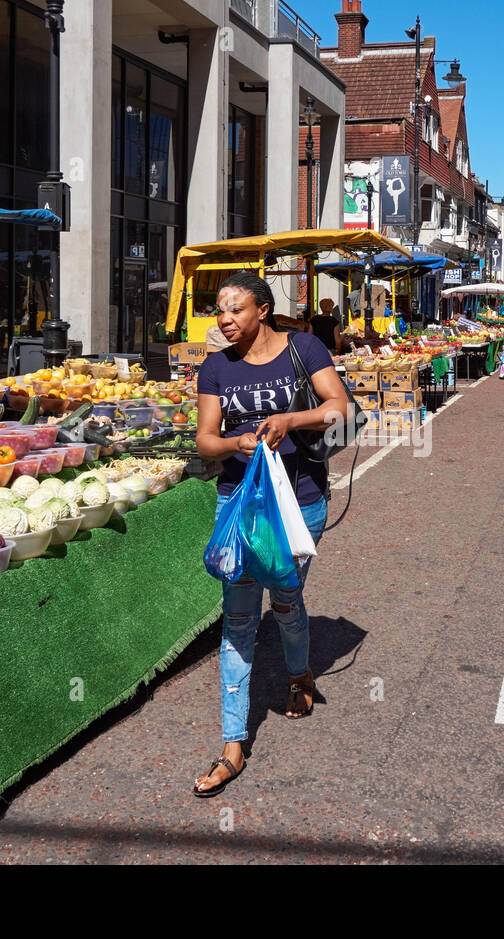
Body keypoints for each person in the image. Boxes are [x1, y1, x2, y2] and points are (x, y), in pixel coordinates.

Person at [193, 271, 350, 798]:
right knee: (237, 619)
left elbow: (338, 409)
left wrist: (290, 419)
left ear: (262, 309)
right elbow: (205, 442)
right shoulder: (216, 366)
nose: (224, 320)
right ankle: (232, 744)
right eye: (219, 311)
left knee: (286, 600)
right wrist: (235, 443)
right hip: (239, 504)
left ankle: (301, 675)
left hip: (300, 501)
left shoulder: (303, 346)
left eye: (234, 309)